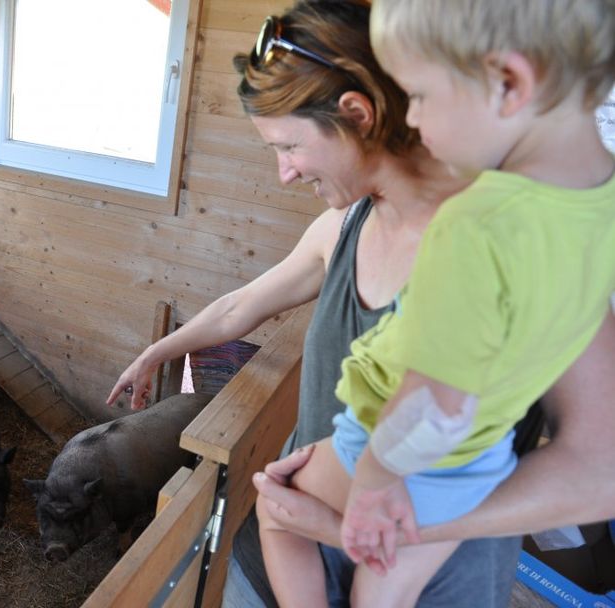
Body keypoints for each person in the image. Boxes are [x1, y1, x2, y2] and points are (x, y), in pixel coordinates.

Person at [105, 1, 612, 606]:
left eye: (290, 145)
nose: (284, 174)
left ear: (356, 114)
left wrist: (388, 524)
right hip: (284, 559)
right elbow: (242, 307)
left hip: (430, 576)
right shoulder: (344, 225)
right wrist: (157, 353)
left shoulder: (519, 243)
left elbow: (599, 470)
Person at [254, 0, 615, 606]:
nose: (413, 118)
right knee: (383, 592)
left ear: (509, 84)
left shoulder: (474, 226)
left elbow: (433, 405)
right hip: (482, 464)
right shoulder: (596, 202)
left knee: (273, 511)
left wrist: (375, 482)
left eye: (418, 94)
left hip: (392, 449)